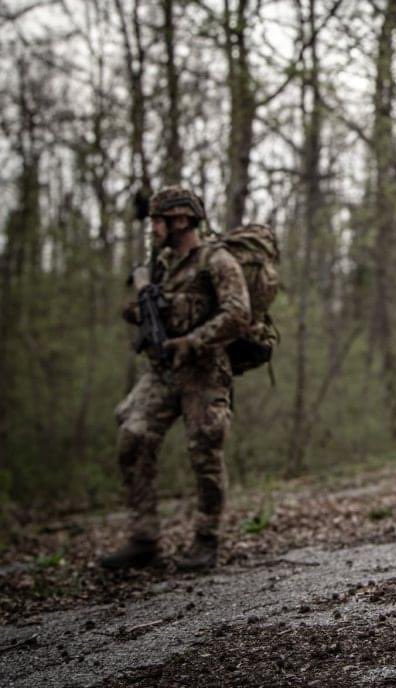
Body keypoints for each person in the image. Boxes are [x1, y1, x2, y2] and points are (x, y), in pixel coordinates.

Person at [100, 186, 250, 573]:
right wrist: (138, 305)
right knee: (132, 437)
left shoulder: (216, 261)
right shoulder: (161, 266)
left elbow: (239, 313)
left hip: (204, 370)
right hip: (164, 371)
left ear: (180, 219)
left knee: (204, 452)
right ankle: (143, 538)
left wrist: (195, 339)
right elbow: (139, 310)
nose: (153, 228)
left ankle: (205, 539)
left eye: (158, 220)